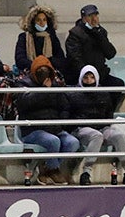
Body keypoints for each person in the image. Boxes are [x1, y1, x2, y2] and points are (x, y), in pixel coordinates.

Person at [67, 65, 125, 185]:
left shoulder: (103, 93)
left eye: (92, 77)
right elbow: (70, 115)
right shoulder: (73, 94)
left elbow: (109, 113)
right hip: (82, 128)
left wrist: (105, 125)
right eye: (86, 77)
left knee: (118, 135)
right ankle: (86, 173)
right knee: (96, 136)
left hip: (102, 126)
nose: (89, 80)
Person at [15, 55, 80, 185]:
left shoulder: (55, 85)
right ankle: (54, 170)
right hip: (32, 129)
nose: (44, 75)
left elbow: (64, 106)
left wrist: (62, 121)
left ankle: (47, 169)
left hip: (54, 128)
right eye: (40, 72)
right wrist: (44, 91)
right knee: (53, 141)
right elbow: (24, 104)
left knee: (73, 142)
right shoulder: (23, 84)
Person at [63, 4, 125, 90]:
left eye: (95, 15)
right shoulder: (75, 33)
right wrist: (89, 75)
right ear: (84, 18)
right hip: (83, 75)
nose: (94, 19)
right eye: (90, 16)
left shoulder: (101, 32)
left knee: (118, 84)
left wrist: (98, 33)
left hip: (100, 73)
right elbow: (75, 58)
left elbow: (110, 53)